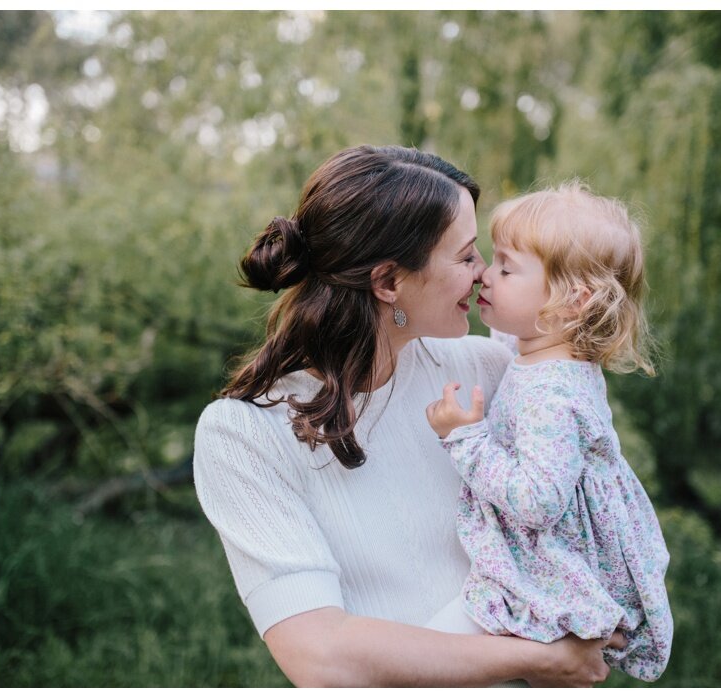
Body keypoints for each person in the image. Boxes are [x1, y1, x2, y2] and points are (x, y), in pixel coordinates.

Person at [192, 146, 624, 687]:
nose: (484, 274)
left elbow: (584, 516)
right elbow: (321, 659)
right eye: (467, 257)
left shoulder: (492, 372)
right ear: (389, 282)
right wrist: (539, 658)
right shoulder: (242, 435)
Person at [424, 182, 672, 681]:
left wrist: (464, 440)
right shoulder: (545, 348)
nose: (485, 275)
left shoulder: (553, 395)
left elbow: (538, 500)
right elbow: (523, 340)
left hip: (552, 566)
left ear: (569, 302)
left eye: (506, 268)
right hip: (552, 553)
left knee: (435, 649)